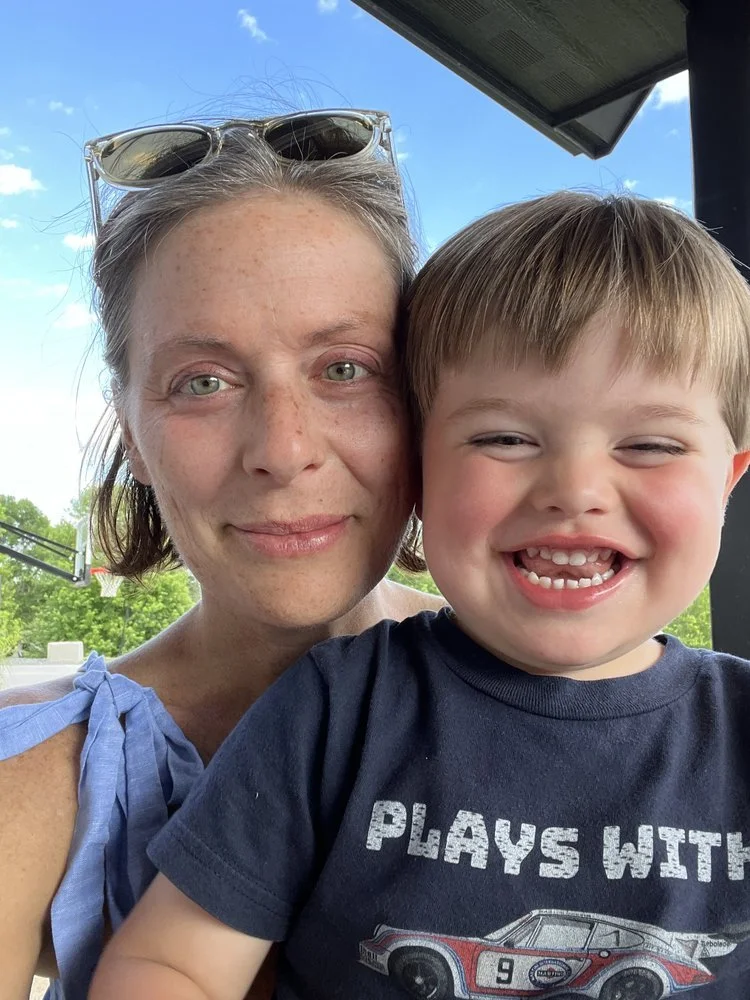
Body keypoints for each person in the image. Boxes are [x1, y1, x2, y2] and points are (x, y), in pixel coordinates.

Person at [91, 191, 750, 1000]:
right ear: (420, 466)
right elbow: (172, 964)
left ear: (727, 480)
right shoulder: (336, 709)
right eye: (504, 438)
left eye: (649, 444)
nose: (575, 490)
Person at [0, 110, 444, 1000]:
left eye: (346, 368)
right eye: (202, 382)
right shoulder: (35, 778)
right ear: (133, 435)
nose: (283, 449)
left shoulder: (607, 710)